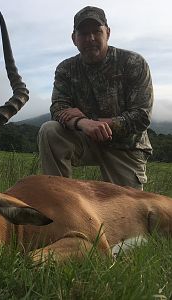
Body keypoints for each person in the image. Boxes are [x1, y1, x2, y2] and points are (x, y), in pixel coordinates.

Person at [38, 6, 153, 190]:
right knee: (50, 130)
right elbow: (58, 108)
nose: (90, 38)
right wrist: (83, 123)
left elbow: (141, 117)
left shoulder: (133, 63)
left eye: (96, 31)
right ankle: (58, 197)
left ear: (107, 33)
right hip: (85, 139)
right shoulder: (66, 69)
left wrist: (96, 123)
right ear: (74, 38)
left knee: (126, 213)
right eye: (83, 33)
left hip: (126, 146)